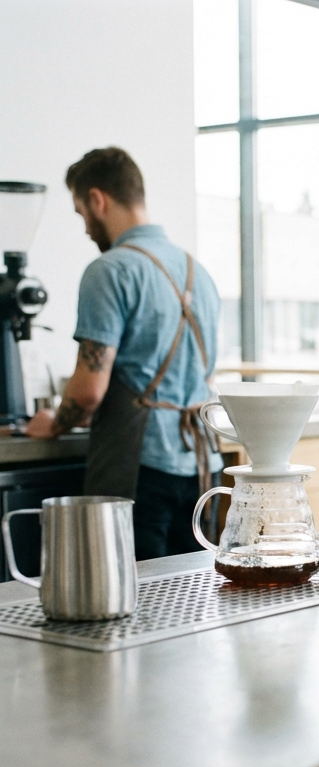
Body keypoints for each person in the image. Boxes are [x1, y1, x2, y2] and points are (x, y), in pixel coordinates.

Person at [25, 147, 221, 560]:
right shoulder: (196, 271)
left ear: (98, 199)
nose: (84, 229)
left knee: (132, 605)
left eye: (81, 213)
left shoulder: (109, 270)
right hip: (201, 467)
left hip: (140, 470)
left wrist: (51, 424)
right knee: (193, 600)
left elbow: (88, 394)